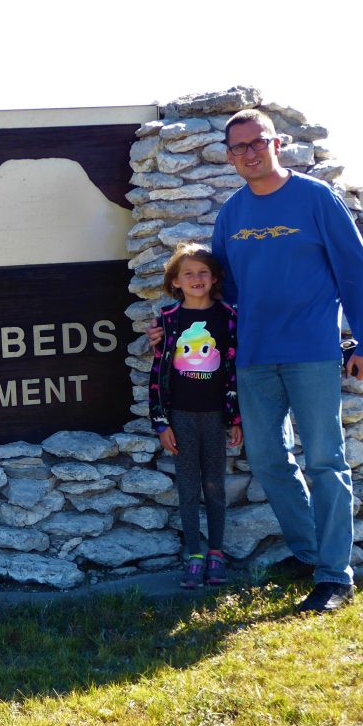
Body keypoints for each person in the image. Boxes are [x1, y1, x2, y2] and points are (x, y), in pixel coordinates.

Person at [149, 108, 363, 613]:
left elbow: (354, 271)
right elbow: (217, 292)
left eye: (257, 143)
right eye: (238, 148)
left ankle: (334, 575)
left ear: (276, 143)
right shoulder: (233, 213)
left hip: (312, 352)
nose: (249, 154)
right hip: (252, 358)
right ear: (229, 156)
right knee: (269, 459)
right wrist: (172, 331)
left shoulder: (316, 199)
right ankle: (306, 552)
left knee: (324, 460)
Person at [150, 242, 243, 589]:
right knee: (188, 486)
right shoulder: (168, 321)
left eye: (203, 272)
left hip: (216, 414)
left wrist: (235, 417)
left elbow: (234, 368)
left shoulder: (229, 317)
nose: (196, 278)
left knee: (215, 486)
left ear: (216, 277)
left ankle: (216, 552)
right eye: (187, 273)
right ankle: (195, 554)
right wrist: (161, 422)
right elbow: (158, 374)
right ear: (175, 281)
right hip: (181, 416)